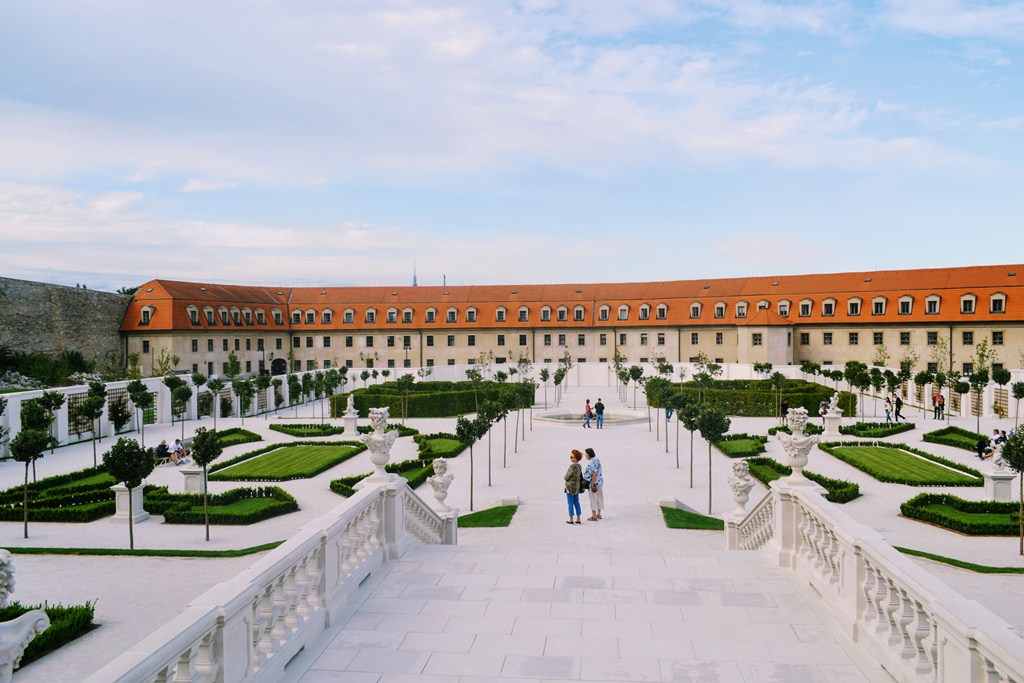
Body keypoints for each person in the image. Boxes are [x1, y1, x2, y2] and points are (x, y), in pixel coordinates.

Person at [583, 447, 604, 521]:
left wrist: (592, 483)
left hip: (594, 483)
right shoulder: (597, 459)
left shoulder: (591, 462)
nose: (585, 455)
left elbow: (594, 473)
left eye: (586, 454)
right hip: (600, 482)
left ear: (589, 454)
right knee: (599, 497)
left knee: (593, 499)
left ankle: (594, 516)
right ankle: (599, 514)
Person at [564, 450, 584, 525]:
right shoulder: (579, 466)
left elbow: (566, 477)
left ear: (576, 458)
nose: (571, 458)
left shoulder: (572, 467)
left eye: (572, 457)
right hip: (577, 488)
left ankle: (571, 519)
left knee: (570, 503)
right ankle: (578, 518)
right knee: (577, 502)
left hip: (570, 488)